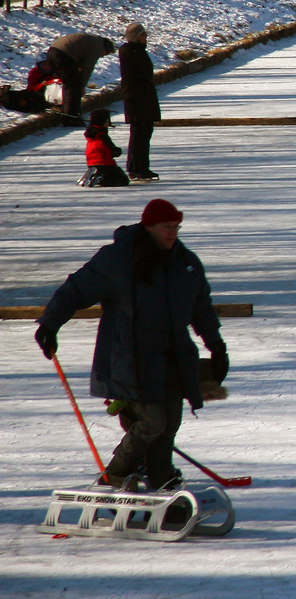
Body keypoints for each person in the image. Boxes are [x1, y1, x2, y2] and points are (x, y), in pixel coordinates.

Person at [35, 198, 227, 490]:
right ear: (149, 227)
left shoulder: (185, 263)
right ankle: (117, 472)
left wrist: (216, 344)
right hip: (131, 358)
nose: (173, 233)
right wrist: (50, 323)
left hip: (173, 357)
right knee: (153, 422)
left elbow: (200, 306)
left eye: (176, 227)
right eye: (166, 227)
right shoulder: (119, 259)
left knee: (169, 424)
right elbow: (77, 288)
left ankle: (161, 477)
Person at [119, 22, 160, 182]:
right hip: (137, 98)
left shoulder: (139, 51)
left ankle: (142, 166)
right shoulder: (129, 51)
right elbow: (130, 78)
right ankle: (137, 167)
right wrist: (132, 99)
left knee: (145, 132)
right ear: (135, 37)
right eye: (143, 35)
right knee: (139, 133)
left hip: (145, 96)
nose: (146, 38)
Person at [45, 32, 117, 119]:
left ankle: (67, 110)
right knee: (74, 87)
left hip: (53, 51)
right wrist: (82, 85)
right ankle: (71, 117)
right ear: (106, 49)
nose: (102, 56)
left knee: (69, 83)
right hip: (63, 54)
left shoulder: (92, 41)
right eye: (105, 54)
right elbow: (88, 67)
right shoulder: (97, 46)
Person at [77, 109, 129, 187]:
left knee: (104, 171)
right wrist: (116, 151)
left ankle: (94, 175)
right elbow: (110, 148)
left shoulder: (92, 134)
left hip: (92, 161)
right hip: (105, 162)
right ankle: (101, 179)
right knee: (123, 180)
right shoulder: (102, 135)